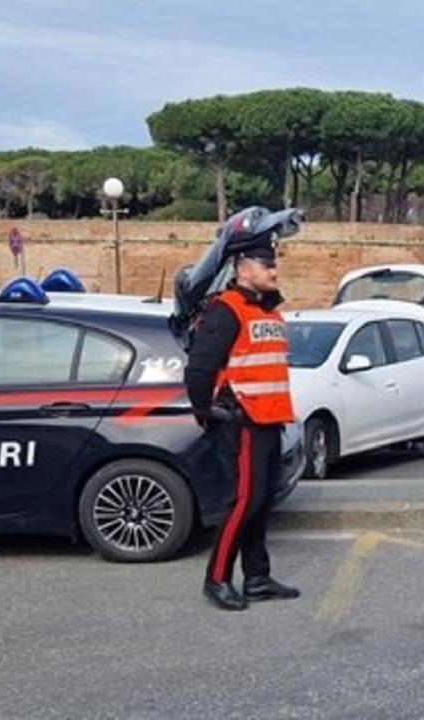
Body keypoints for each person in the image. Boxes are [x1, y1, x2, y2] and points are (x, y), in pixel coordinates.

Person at [183, 240, 301, 611]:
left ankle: (257, 577)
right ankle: (217, 579)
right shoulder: (226, 310)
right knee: (243, 503)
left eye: (274, 264)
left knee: (261, 501)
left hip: (269, 418)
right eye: (265, 265)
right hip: (243, 420)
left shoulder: (268, 312)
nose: (273, 271)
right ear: (242, 269)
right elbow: (199, 367)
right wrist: (205, 410)